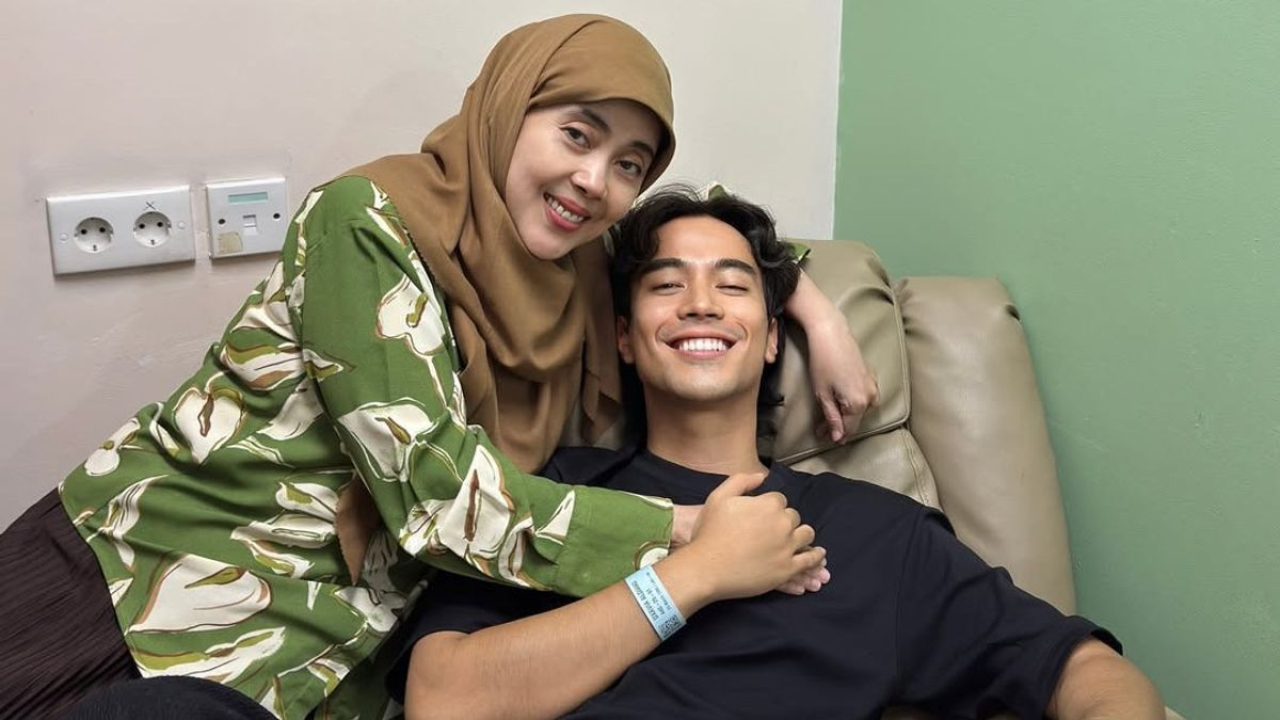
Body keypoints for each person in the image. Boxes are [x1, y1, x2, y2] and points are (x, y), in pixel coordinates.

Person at [1, 14, 874, 720]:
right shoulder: (366, 222)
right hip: (135, 575)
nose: (592, 180)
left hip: (308, 662)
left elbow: (708, 241)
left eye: (628, 167)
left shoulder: (574, 265)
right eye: (576, 134)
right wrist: (688, 538)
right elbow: (434, 499)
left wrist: (812, 308)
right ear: (509, 108)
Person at [386, 186, 1166, 720]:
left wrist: (819, 317)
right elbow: (443, 697)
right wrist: (692, 575)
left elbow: (1085, 670)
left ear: (769, 338)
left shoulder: (879, 531)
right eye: (665, 286)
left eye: (733, 287)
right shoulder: (552, 494)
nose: (700, 304)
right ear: (623, 336)